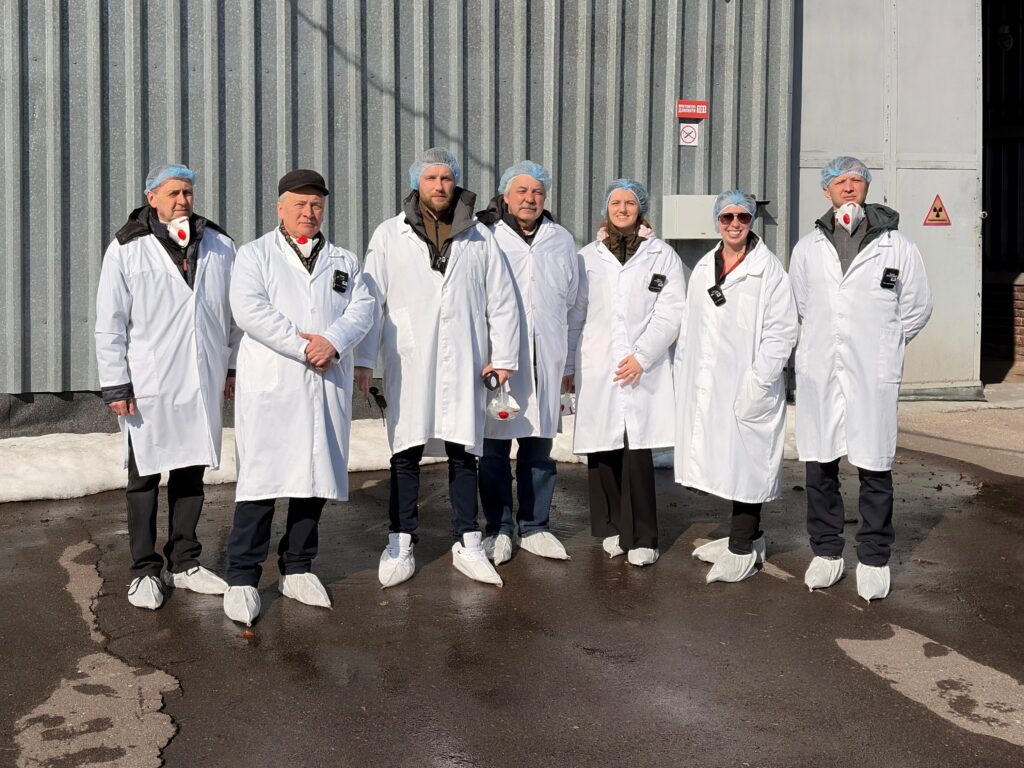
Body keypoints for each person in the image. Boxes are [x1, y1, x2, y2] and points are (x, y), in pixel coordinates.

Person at [354, 148, 520, 588]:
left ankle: (468, 540)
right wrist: (365, 359)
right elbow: (371, 300)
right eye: (431, 178)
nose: (440, 186)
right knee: (405, 452)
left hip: (465, 357)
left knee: (463, 452)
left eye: (446, 178)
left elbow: (502, 300)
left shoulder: (480, 237)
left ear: (456, 182)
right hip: (409, 357)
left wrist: (504, 357)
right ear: (417, 183)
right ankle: (401, 539)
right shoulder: (389, 234)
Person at [222, 169, 374, 626]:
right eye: (300, 205)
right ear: (280, 208)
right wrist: (304, 346)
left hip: (325, 380)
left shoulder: (344, 260)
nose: (309, 213)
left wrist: (333, 341)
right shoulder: (254, 255)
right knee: (262, 482)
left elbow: (364, 309)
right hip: (275, 384)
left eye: (316, 205)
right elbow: (249, 310)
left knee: (314, 477)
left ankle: (298, 567)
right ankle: (243, 576)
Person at [790, 155, 933, 601]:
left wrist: (884, 342)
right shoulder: (807, 248)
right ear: (826, 190)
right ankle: (826, 552)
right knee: (820, 462)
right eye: (840, 181)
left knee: (874, 464)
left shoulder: (898, 245)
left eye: (856, 180)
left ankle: (873, 558)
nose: (848, 187)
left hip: (872, 370)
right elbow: (802, 304)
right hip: (821, 368)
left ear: (867, 187)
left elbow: (917, 306)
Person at [95, 163, 236, 610]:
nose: (182, 200)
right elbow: (110, 323)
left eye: (187, 192)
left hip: (201, 379)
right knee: (144, 477)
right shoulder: (126, 248)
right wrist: (115, 384)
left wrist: (231, 368)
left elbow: (233, 315)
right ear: (151, 198)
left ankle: (185, 561)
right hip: (148, 383)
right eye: (173, 193)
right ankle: (144, 569)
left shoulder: (219, 244)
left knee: (191, 471)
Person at [674, 190, 798, 583]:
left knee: (747, 464)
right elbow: (690, 328)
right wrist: (683, 375)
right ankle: (749, 538)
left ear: (751, 222)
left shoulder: (769, 270)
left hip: (750, 382)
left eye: (742, 217)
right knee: (725, 460)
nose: (734, 224)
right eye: (727, 217)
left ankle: (742, 549)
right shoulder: (704, 268)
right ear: (717, 221)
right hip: (710, 382)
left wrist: (759, 380)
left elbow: (782, 332)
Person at [567, 179, 685, 566]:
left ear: (640, 209)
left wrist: (642, 356)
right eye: (615, 202)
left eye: (629, 203)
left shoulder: (661, 255)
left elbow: (671, 311)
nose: (622, 208)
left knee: (637, 452)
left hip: (641, 368)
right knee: (604, 450)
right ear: (606, 208)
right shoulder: (587, 257)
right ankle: (617, 529)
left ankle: (645, 537)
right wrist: (568, 366)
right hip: (598, 364)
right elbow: (576, 315)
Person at [474, 160, 579, 565]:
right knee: (494, 451)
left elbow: (572, 301)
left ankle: (536, 526)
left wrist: (567, 363)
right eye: (521, 191)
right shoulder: (486, 236)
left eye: (537, 192)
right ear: (506, 195)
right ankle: (498, 528)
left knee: (539, 450)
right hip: (501, 361)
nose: (530, 199)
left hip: (545, 358)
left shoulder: (561, 239)